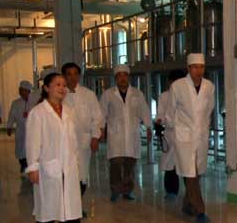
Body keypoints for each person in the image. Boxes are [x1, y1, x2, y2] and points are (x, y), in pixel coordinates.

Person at [25, 72, 84, 223]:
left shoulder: (69, 111)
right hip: (48, 168)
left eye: (64, 85)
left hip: (69, 167)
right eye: (57, 84)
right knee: (48, 207)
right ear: (46, 88)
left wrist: (76, 161)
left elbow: (73, 141)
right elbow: (33, 142)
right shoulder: (38, 113)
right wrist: (33, 167)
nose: (62, 88)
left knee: (70, 209)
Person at [166, 54, 215, 223]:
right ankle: (201, 211)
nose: (198, 71)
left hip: (200, 136)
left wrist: (205, 128)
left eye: (201, 67)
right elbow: (170, 111)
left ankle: (188, 205)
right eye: (195, 67)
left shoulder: (209, 86)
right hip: (184, 137)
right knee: (190, 174)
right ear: (188, 68)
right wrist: (173, 131)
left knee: (197, 173)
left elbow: (209, 109)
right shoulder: (178, 86)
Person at [100, 65, 152, 202]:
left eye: (125, 75)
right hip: (115, 135)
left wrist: (148, 127)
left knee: (130, 164)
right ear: (116, 78)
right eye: (119, 76)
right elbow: (102, 113)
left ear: (128, 77)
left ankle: (127, 191)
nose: (122, 78)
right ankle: (115, 190)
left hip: (132, 135)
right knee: (116, 164)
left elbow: (145, 111)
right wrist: (101, 130)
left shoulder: (137, 94)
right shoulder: (108, 94)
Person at [62, 62, 104, 215]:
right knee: (68, 176)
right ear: (64, 76)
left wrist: (95, 137)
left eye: (75, 74)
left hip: (84, 143)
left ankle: (77, 206)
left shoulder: (88, 94)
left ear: (79, 76)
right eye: (69, 74)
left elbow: (97, 118)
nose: (72, 77)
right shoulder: (60, 95)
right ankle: (68, 208)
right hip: (65, 144)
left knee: (82, 176)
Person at [156, 69, 187, 196]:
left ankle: (190, 192)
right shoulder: (164, 96)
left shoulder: (188, 96)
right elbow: (161, 114)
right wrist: (159, 121)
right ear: (170, 82)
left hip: (185, 134)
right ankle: (171, 191)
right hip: (170, 133)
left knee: (186, 165)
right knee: (170, 164)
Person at [7, 81, 34, 174]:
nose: (20, 91)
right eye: (20, 90)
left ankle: (29, 166)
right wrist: (9, 126)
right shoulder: (16, 103)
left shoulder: (34, 102)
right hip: (21, 130)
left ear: (28, 91)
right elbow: (11, 115)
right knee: (20, 149)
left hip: (32, 131)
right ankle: (23, 164)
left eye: (22, 90)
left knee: (30, 149)